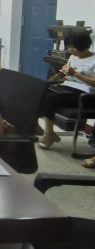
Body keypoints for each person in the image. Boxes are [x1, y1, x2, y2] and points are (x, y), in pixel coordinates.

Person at [37, 32, 95, 161]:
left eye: (73, 47)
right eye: (69, 47)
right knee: (40, 93)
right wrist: (63, 74)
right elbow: (67, 77)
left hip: (85, 94)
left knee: (49, 98)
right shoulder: (73, 57)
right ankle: (46, 131)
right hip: (68, 88)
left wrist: (75, 74)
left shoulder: (93, 60)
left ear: (84, 46)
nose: (70, 50)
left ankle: (48, 134)